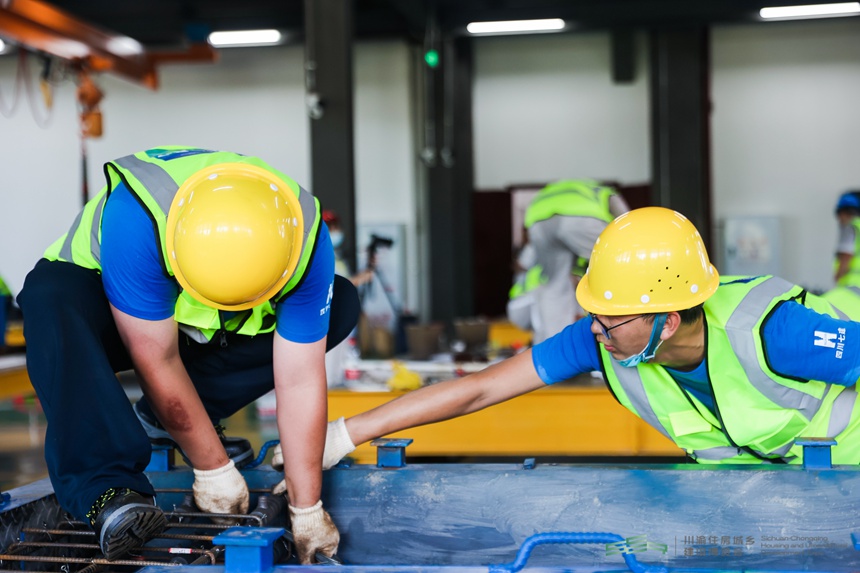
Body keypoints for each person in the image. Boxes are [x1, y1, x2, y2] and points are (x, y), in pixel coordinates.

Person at [16, 146, 359, 563]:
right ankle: (108, 489)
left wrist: (307, 509)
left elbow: (300, 379)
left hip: (196, 328)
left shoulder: (302, 238)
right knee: (50, 298)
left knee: (340, 302)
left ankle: (163, 420)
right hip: (110, 315)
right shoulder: (136, 219)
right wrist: (213, 467)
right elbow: (155, 359)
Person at [320, 206, 860, 471]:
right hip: (758, 496)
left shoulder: (773, 331)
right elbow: (481, 389)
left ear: (666, 320)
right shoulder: (611, 335)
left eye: (610, 320)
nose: (594, 332)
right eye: (593, 314)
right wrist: (347, 433)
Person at [525, 179, 629, 343]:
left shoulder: (566, 189)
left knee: (555, 285)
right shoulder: (607, 193)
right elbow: (627, 225)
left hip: (538, 221)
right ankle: (623, 334)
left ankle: (556, 347)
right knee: (619, 265)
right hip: (580, 218)